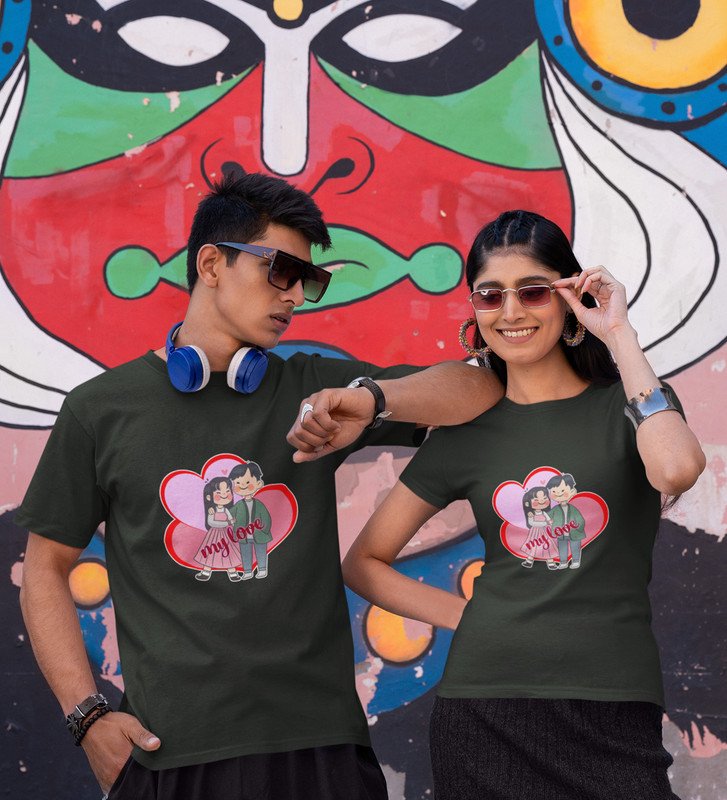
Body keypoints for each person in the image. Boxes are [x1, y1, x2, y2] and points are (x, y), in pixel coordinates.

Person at [16, 173, 504, 800]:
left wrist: (372, 399)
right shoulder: (99, 411)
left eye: (307, 280)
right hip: (170, 755)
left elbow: (477, 387)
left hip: (322, 750)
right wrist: (87, 719)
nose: (294, 295)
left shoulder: (317, 391)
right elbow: (45, 568)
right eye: (279, 270)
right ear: (211, 264)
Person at [342, 210, 705, 799]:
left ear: (567, 298)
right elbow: (364, 562)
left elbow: (677, 469)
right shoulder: (465, 432)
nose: (511, 311)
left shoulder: (632, 407)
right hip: (485, 711)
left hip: (614, 704)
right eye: (491, 295)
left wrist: (619, 332)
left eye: (533, 291)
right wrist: (473, 619)